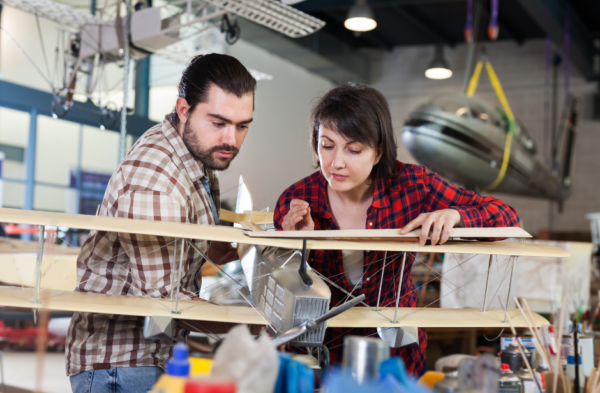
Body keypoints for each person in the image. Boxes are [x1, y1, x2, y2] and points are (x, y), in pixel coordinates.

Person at [273, 83, 519, 376]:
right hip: (319, 351)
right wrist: (290, 244)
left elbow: (507, 217)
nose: (335, 162)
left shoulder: (414, 185)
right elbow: (279, 285)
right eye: (327, 146)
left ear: (378, 153)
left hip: (396, 351)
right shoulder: (296, 201)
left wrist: (454, 216)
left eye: (353, 149)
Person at [67, 54, 256, 392]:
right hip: (121, 363)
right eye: (219, 122)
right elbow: (164, 302)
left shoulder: (197, 153)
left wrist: (215, 248)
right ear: (184, 110)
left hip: (153, 352)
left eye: (242, 126)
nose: (232, 139)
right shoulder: (156, 176)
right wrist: (254, 326)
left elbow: (173, 241)